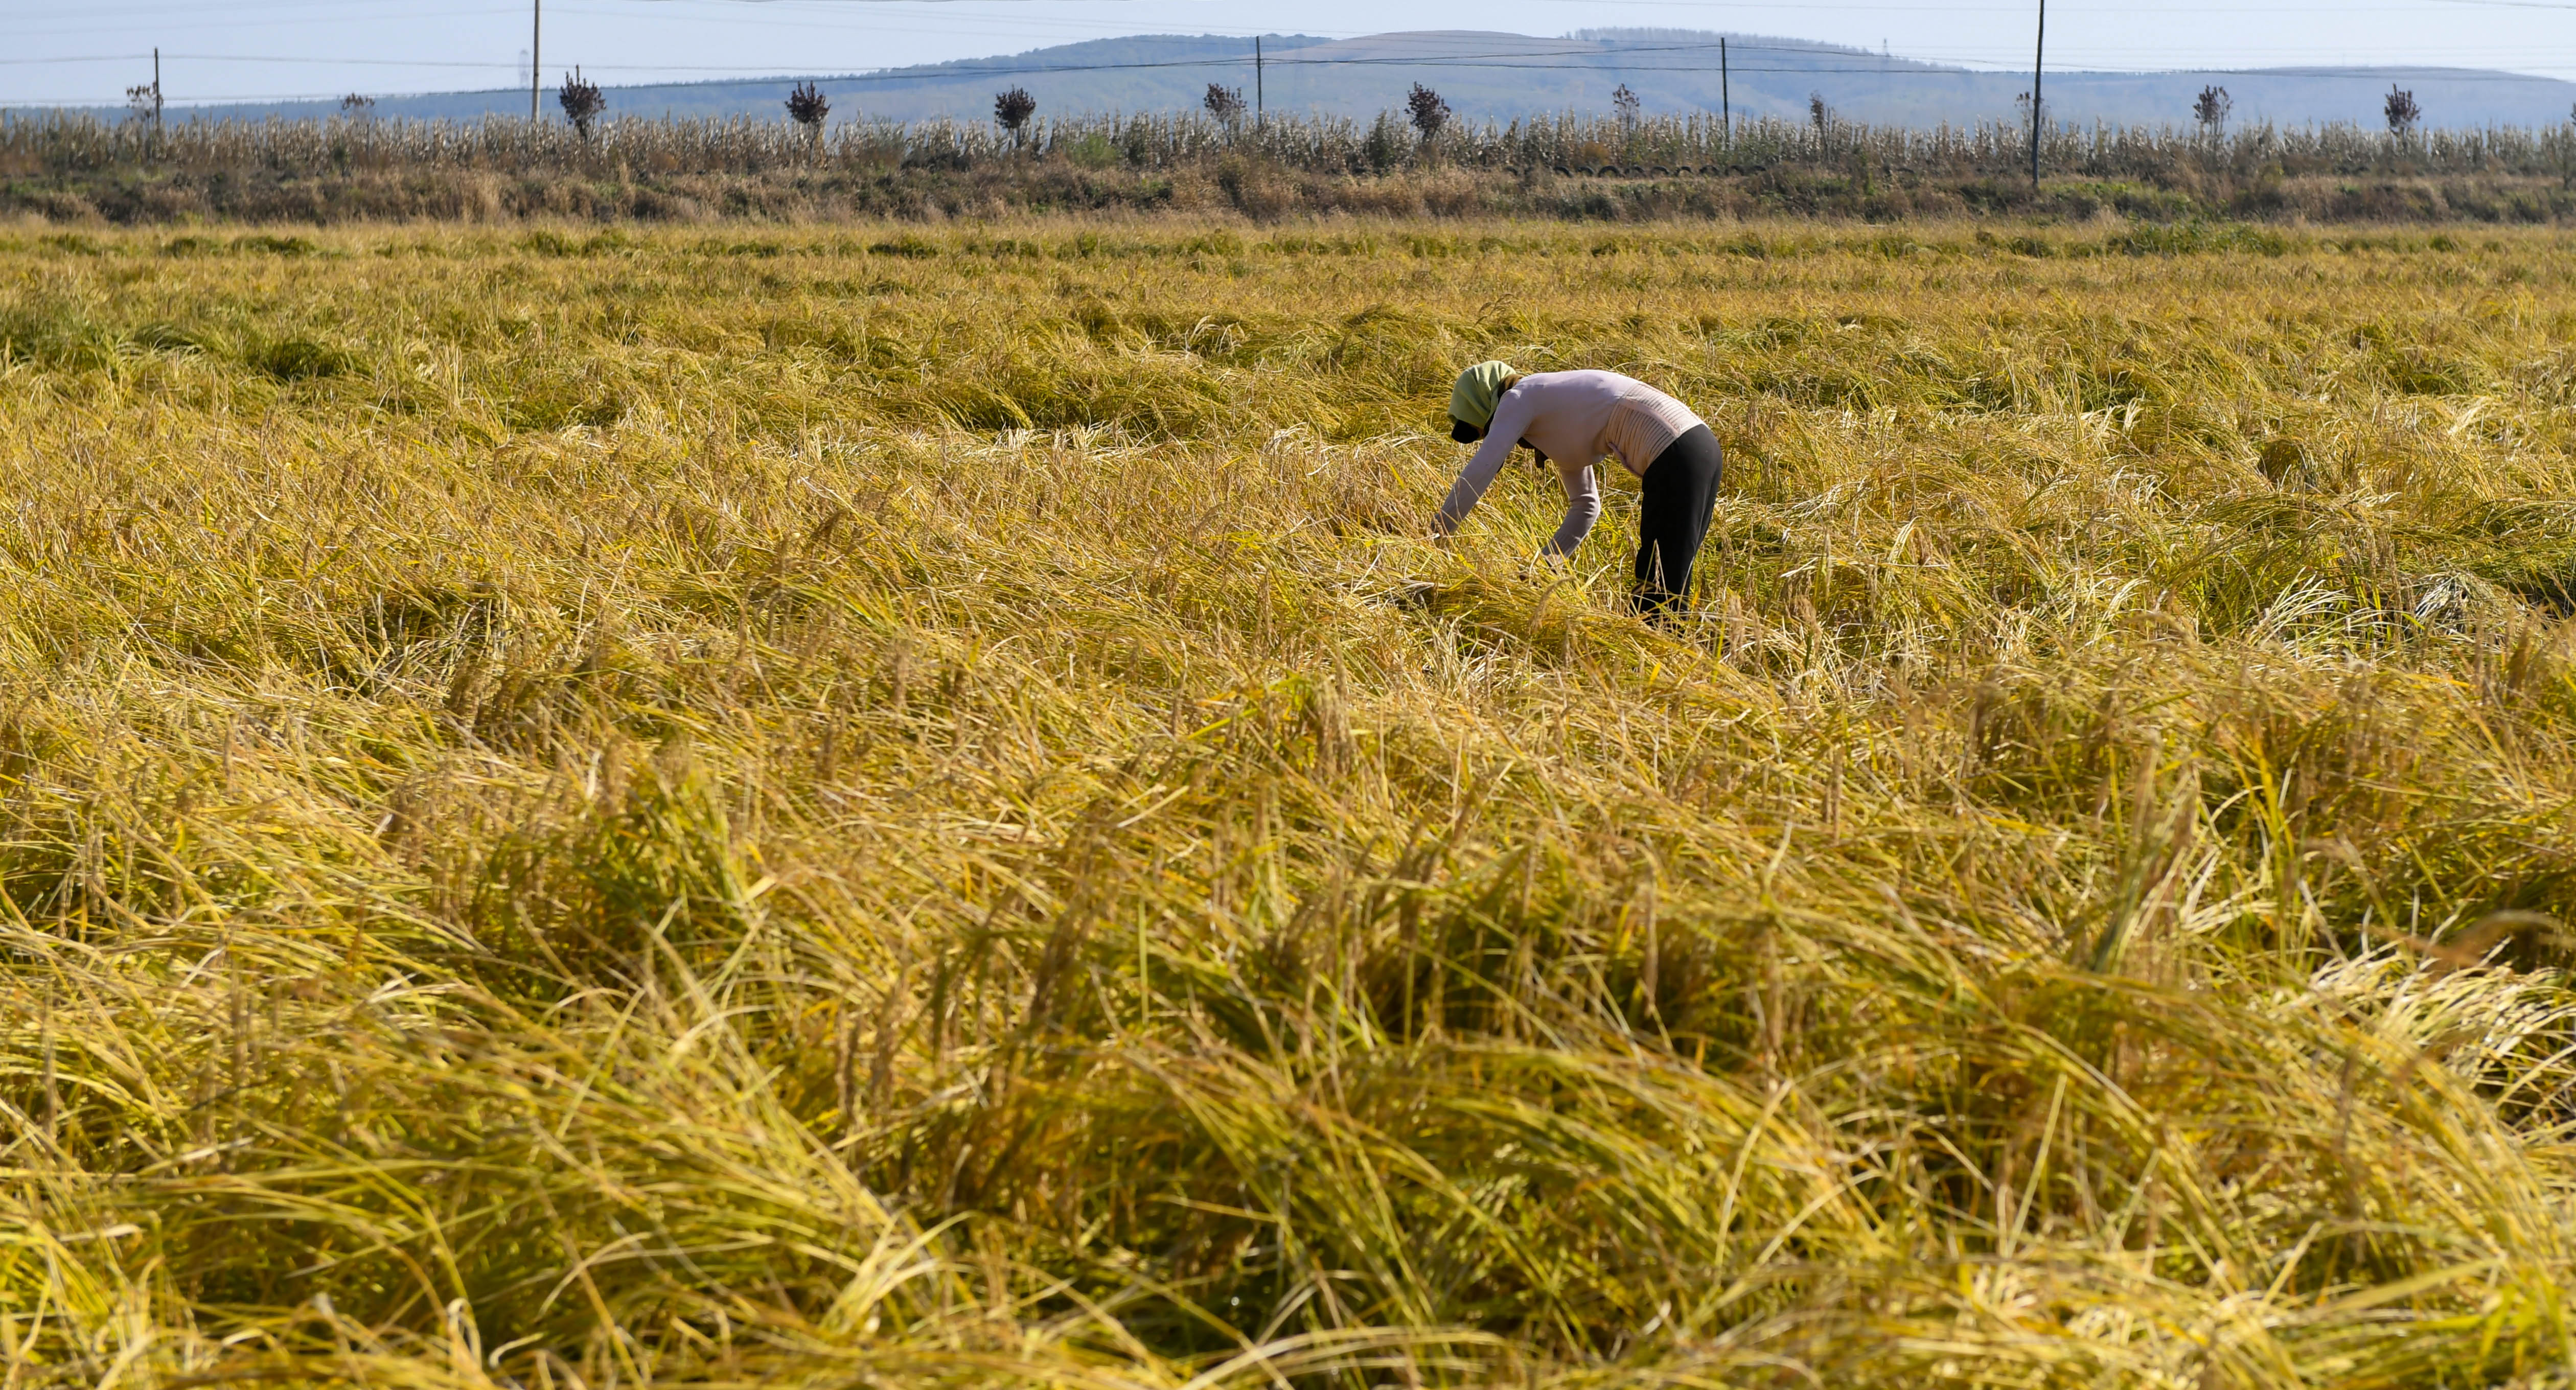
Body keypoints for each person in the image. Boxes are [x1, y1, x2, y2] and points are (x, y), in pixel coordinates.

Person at [1435, 361, 1723, 618]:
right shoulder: (1556, 413)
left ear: (1488, 406)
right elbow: (1586, 506)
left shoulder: (1519, 396)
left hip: (1676, 451)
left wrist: (1434, 534)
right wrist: (1541, 569)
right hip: (1699, 447)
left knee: (1658, 590)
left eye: (1485, 430)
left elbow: (1481, 470)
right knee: (1670, 583)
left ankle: (1660, 657)